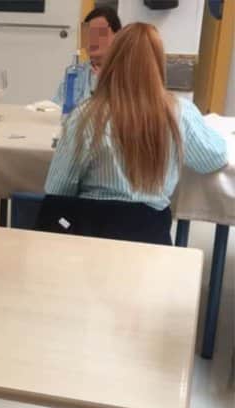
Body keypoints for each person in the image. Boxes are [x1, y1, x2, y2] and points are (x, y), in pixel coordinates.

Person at [44, 23, 227, 244]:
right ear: (159, 64)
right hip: (150, 236)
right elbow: (213, 158)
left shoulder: (85, 115)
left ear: (112, 61)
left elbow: (57, 189)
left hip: (89, 236)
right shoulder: (180, 112)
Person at [53, 6, 122, 107]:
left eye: (99, 32)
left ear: (118, 35)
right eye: (87, 33)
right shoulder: (74, 73)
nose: (91, 39)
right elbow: (57, 107)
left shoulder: (127, 75)